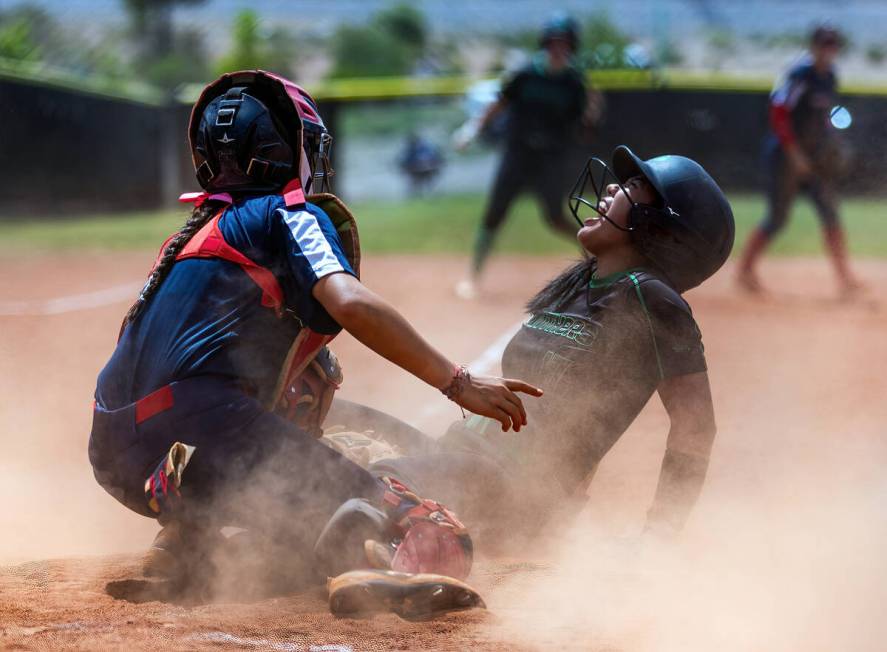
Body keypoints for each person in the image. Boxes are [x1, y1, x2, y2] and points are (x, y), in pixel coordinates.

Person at [88, 71, 541, 609]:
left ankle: (187, 542)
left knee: (274, 483)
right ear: (287, 150)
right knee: (422, 519)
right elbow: (350, 303)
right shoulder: (287, 213)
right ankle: (369, 564)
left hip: (115, 456)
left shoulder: (189, 235)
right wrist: (457, 382)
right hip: (206, 428)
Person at [347, 146, 734, 543]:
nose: (612, 188)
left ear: (661, 228)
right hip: (465, 458)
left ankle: (417, 550)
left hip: (511, 489)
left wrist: (659, 535)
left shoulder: (650, 297)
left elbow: (695, 427)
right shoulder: (578, 287)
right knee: (337, 418)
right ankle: (409, 531)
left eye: (633, 186)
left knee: (372, 481)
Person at [453, 13, 588, 299]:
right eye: (553, 42)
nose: (558, 48)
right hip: (517, 154)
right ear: (545, 43)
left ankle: (597, 253)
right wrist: (472, 129)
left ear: (572, 45)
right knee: (494, 214)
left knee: (554, 217)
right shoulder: (526, 73)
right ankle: (473, 278)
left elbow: (579, 122)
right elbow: (499, 103)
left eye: (564, 43)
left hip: (549, 158)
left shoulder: (574, 81)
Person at [737, 24, 861, 296]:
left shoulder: (829, 77)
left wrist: (832, 139)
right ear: (814, 46)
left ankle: (846, 279)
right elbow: (779, 113)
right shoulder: (800, 75)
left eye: (833, 45)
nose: (829, 50)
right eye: (824, 44)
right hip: (785, 156)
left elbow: (825, 116)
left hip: (815, 158)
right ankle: (744, 270)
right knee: (777, 218)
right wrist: (794, 155)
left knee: (831, 215)